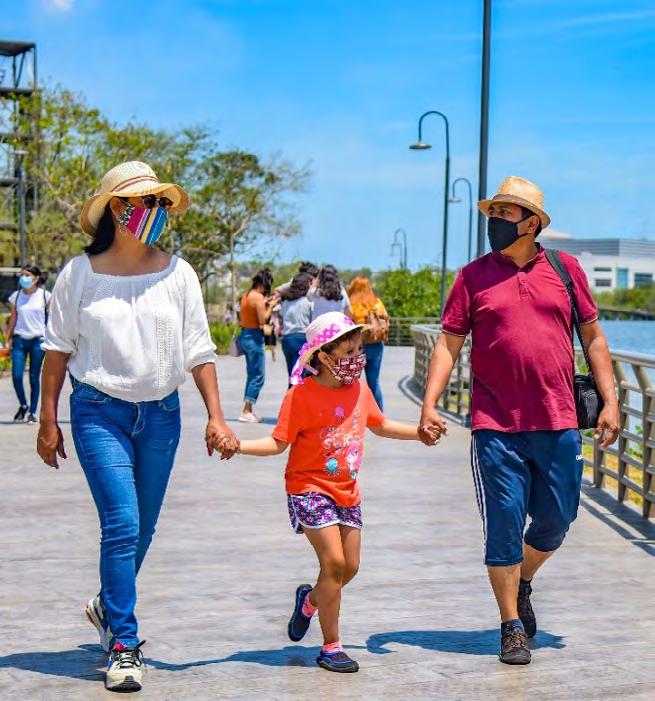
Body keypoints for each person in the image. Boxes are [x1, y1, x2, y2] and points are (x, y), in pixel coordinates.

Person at [36, 161, 239, 692]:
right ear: (117, 209)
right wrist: (48, 420)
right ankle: (124, 645)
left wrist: (216, 416)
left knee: (143, 528)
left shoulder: (179, 274)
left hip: (161, 416)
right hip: (98, 411)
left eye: (161, 202)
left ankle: (108, 604)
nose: (158, 211)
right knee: (123, 524)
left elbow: (199, 349)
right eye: (148, 202)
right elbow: (56, 352)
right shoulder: (79, 274)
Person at [418, 176, 619, 666]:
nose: (495, 222)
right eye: (493, 213)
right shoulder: (471, 277)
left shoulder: (565, 270)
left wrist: (611, 402)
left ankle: (523, 578)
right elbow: (448, 343)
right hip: (495, 425)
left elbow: (593, 338)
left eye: (505, 214)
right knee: (504, 525)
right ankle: (510, 625)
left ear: (530, 224)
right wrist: (429, 403)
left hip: (558, 419)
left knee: (558, 518)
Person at [230, 313, 438, 673]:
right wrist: (239, 446)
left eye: (359, 350)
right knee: (334, 564)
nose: (358, 358)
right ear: (324, 356)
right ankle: (331, 647)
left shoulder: (360, 390)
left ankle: (309, 602)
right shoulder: (300, 396)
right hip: (308, 488)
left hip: (347, 491)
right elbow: (278, 443)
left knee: (349, 567)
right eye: (348, 351)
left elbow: (381, 425)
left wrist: (419, 433)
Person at [6, 265, 51, 423]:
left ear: (36, 278)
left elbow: (53, 319)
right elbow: (13, 319)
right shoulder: (16, 296)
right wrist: (7, 339)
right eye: (22, 275)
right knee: (17, 376)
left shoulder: (45, 296)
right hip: (19, 340)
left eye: (27, 275)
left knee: (34, 377)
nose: (23, 278)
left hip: (38, 341)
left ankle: (32, 412)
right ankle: (23, 405)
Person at [238, 268, 277, 423]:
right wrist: (271, 306)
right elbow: (263, 319)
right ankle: (246, 410)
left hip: (245, 335)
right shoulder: (258, 297)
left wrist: (265, 303)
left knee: (252, 374)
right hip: (254, 337)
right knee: (258, 376)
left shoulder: (247, 295)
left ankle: (248, 410)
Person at [347, 276, 388, 410]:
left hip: (357, 348)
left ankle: (352, 413)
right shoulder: (377, 303)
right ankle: (379, 414)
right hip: (376, 344)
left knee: (352, 383)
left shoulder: (352, 304)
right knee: (373, 383)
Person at [279, 271, 314, 379]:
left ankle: (291, 389)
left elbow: (281, 318)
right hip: (301, 339)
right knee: (300, 376)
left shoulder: (285, 303)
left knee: (292, 373)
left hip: (286, 339)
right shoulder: (307, 303)